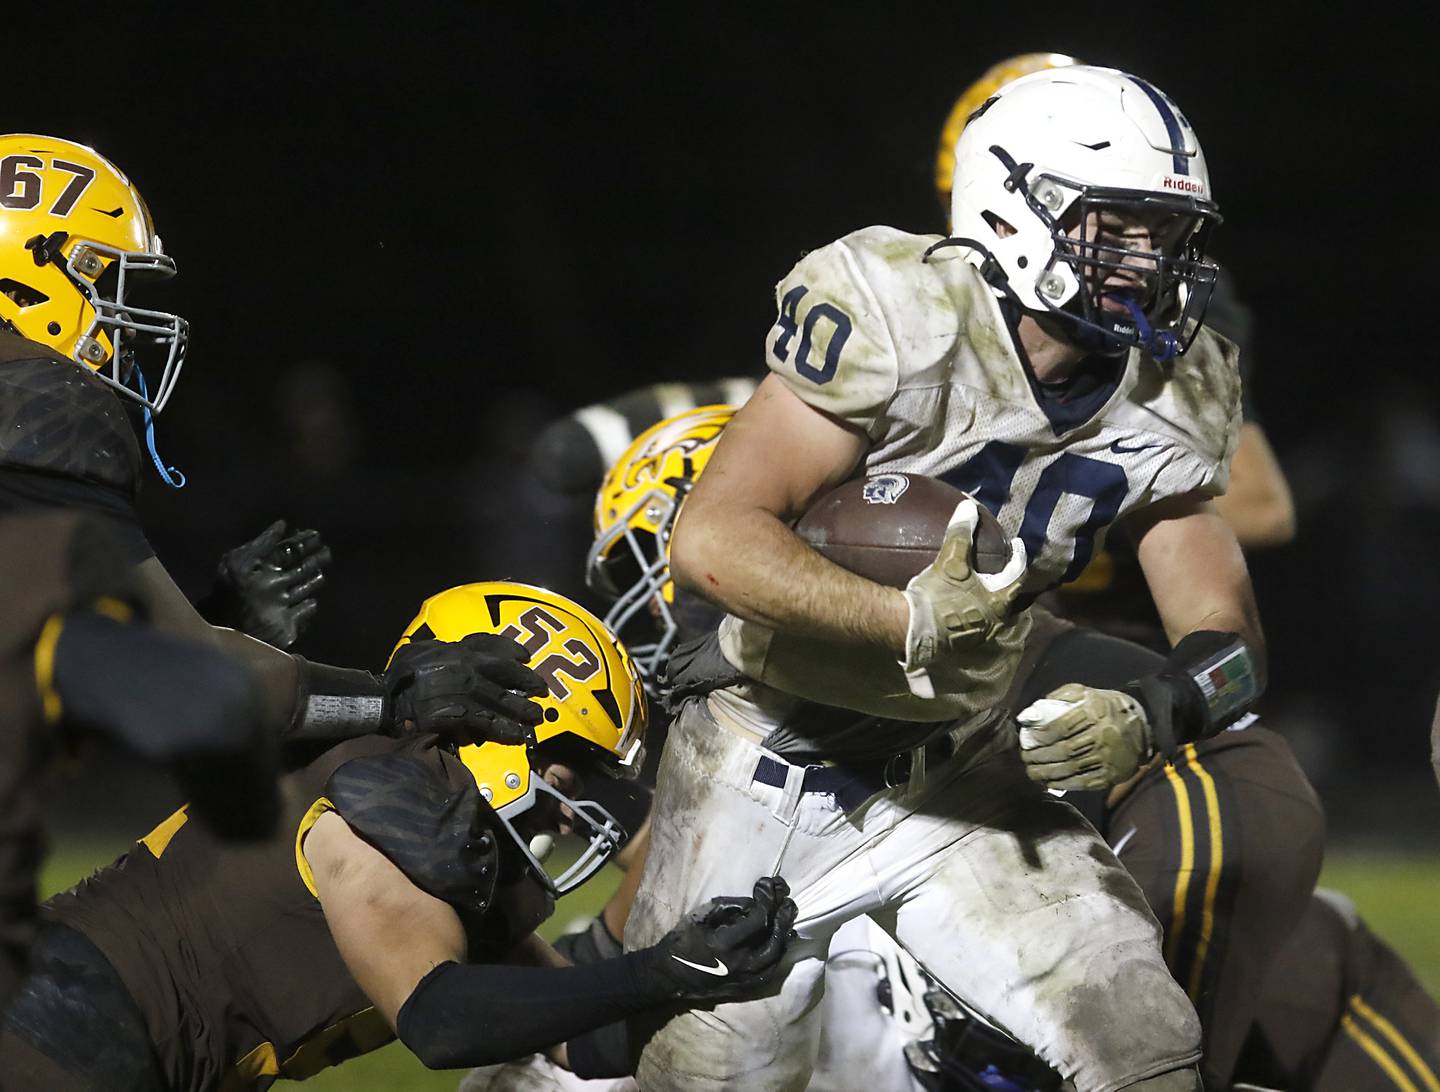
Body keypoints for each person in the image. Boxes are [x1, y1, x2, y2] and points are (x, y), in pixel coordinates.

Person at [628, 64, 1267, 1092]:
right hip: (765, 771)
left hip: (959, 774)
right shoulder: (898, 307)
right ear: (1016, 207)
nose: (1151, 262)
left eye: (1166, 234)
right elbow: (713, 537)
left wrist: (1158, 710)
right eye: (1119, 227)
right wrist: (901, 617)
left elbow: (1231, 647)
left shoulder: (1180, 390)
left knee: (1148, 1051)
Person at [0, 582, 798, 1090]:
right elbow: (442, 1022)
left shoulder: (440, 823)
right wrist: (659, 973)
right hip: (68, 1031)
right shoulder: (395, 808)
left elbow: (579, 1043)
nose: (571, 807)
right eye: (567, 771)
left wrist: (738, 981)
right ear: (501, 734)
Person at [0, 135, 540, 753]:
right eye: (107, 280)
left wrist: (218, 617)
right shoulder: (41, 398)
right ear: (27, 279)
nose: (123, 321)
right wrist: (393, 701)